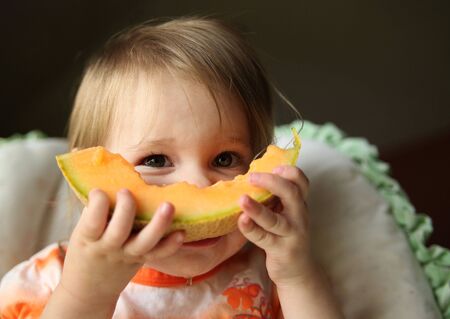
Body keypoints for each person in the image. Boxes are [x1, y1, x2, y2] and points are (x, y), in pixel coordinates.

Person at [0, 17, 343, 318]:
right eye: (155, 160)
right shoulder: (46, 281)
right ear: (89, 185)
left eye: (224, 159)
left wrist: (296, 275)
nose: (196, 184)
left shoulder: (269, 277)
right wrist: (87, 295)